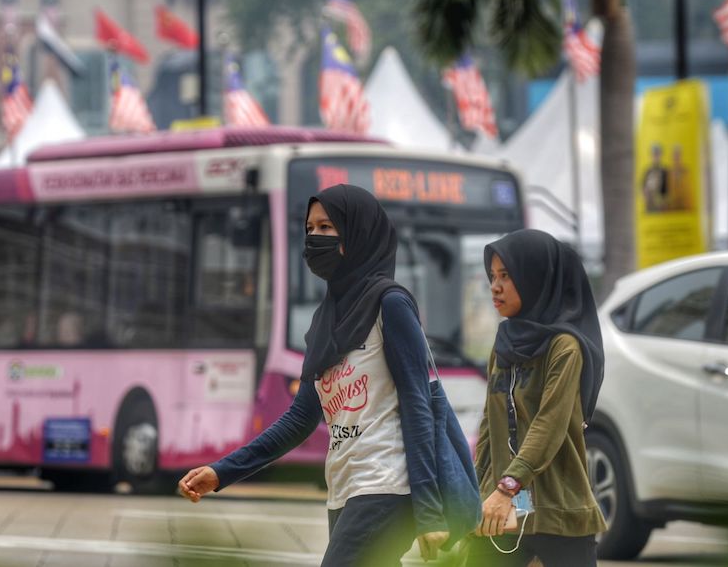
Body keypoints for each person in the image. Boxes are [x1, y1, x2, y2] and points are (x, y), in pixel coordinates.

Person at [178, 184, 478, 566]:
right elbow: (299, 419)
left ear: (358, 233)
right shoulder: (325, 320)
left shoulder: (391, 304)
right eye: (310, 228)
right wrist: (222, 472)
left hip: (388, 484)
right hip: (344, 487)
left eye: (326, 227)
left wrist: (429, 510)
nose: (314, 238)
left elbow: (417, 405)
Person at [466, 229, 607, 567]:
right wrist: (472, 493)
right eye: (492, 276)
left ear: (535, 279)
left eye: (506, 275)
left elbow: (549, 424)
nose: (495, 286)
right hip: (503, 508)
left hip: (559, 508)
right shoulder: (504, 344)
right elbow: (490, 426)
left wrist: (507, 487)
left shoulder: (565, 347)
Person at [641, 142, 669, 212]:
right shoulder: (648, 171)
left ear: (660, 155)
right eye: (654, 154)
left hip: (662, 208)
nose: (656, 157)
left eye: (657, 154)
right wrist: (645, 193)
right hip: (649, 206)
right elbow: (643, 188)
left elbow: (668, 189)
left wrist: (664, 201)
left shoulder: (665, 171)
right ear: (651, 156)